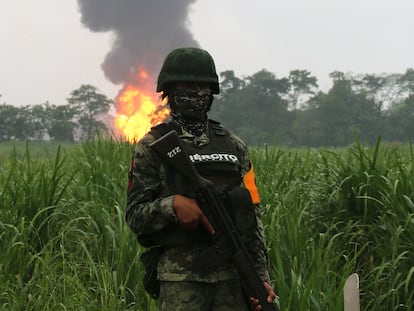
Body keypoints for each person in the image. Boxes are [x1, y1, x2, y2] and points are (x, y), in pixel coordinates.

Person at [126, 47, 276, 311]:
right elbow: (135, 216)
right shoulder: (153, 146)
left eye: (201, 86)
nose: (195, 92)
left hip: (233, 278)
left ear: (212, 91)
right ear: (169, 91)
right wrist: (171, 206)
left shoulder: (234, 146)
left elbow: (252, 219)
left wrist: (260, 278)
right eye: (186, 85)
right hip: (180, 281)